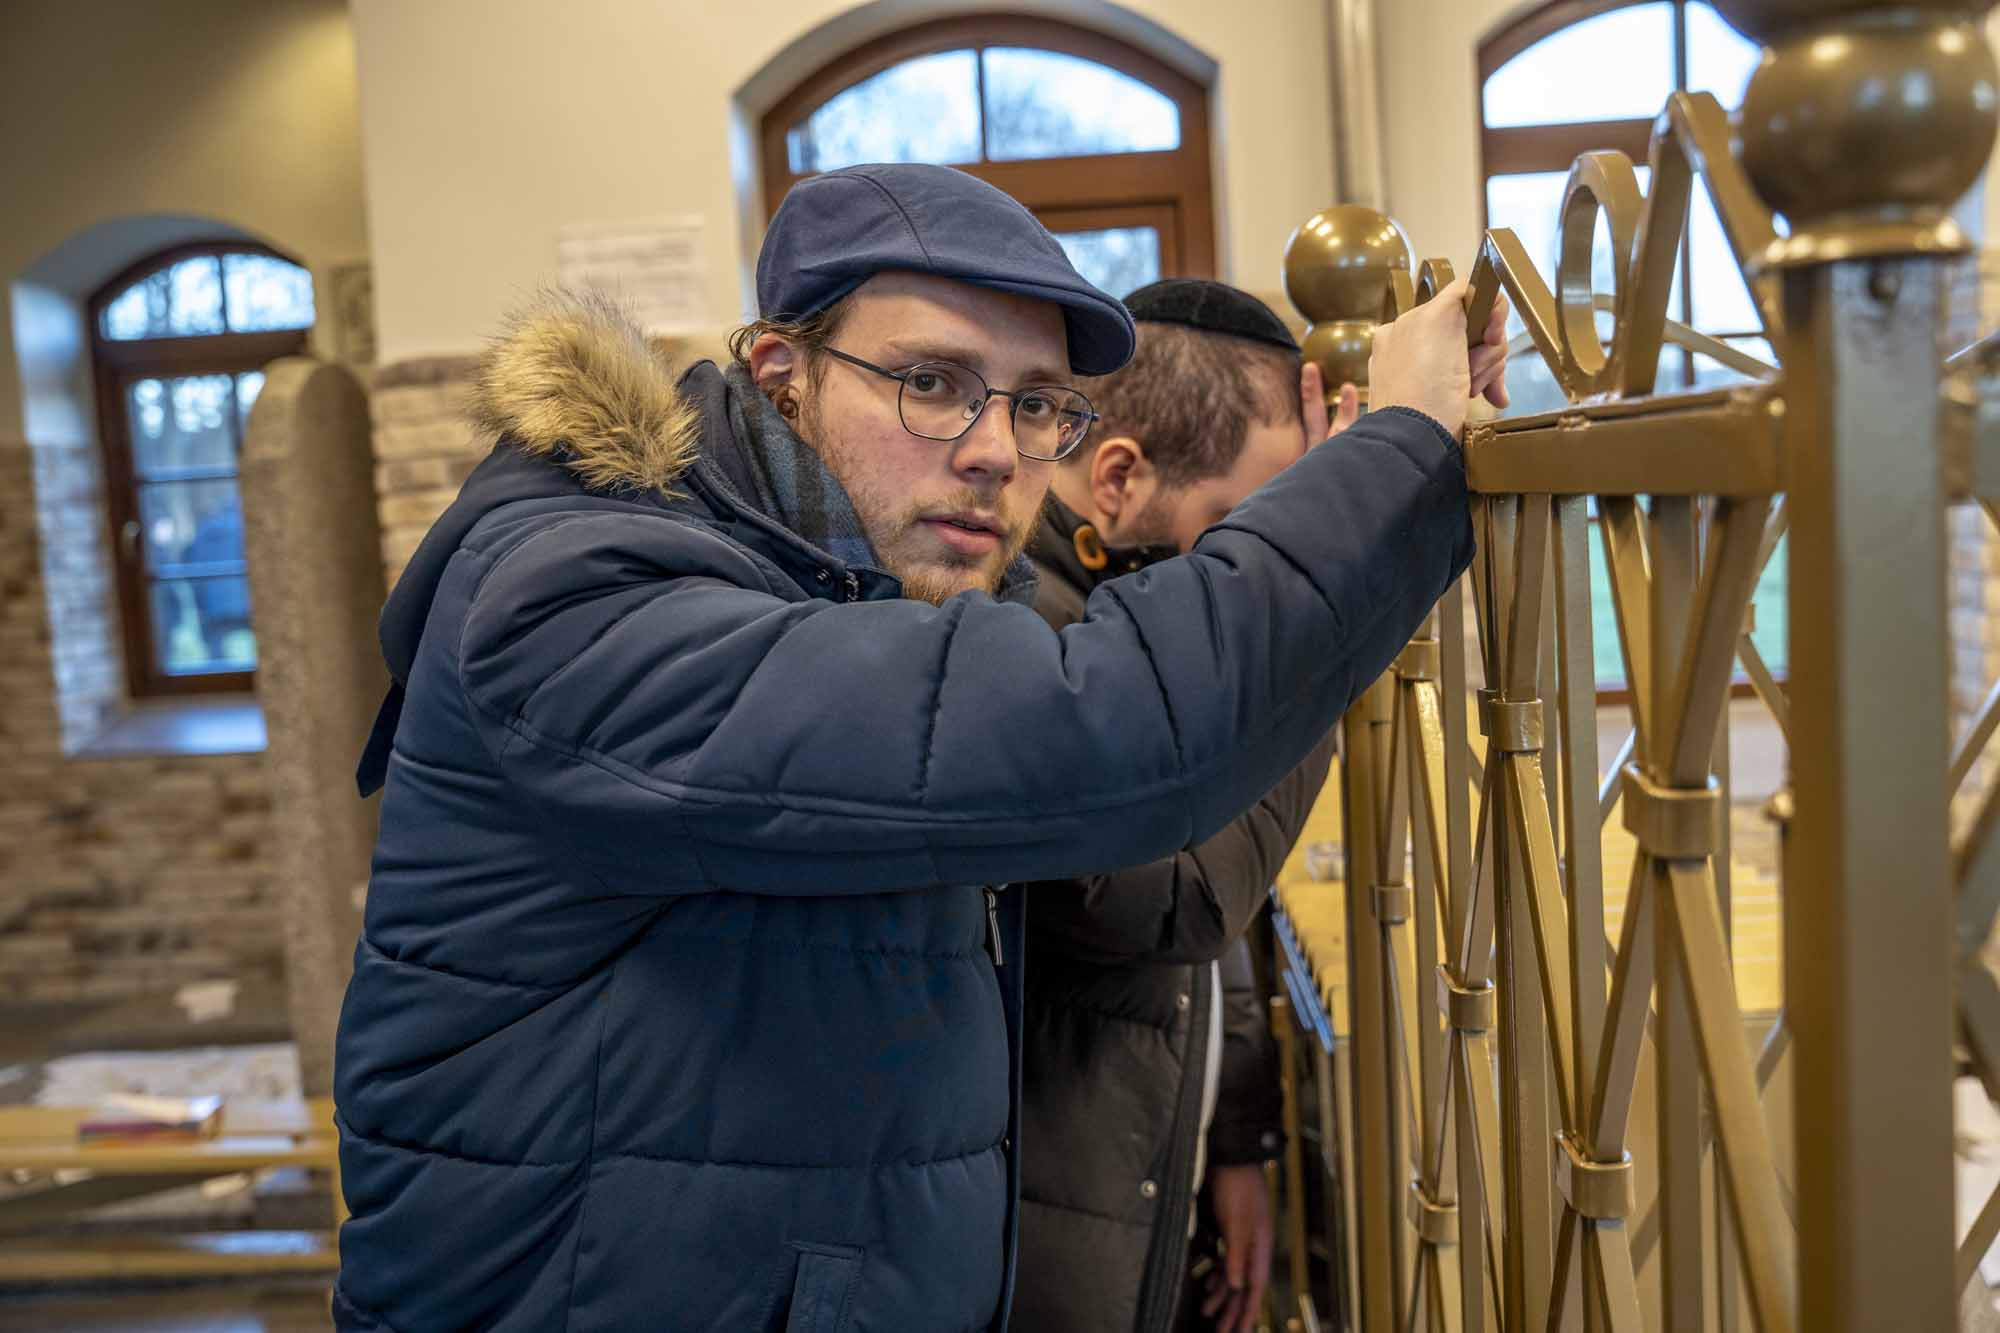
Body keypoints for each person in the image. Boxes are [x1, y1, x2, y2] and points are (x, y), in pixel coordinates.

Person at [332, 162, 1508, 1333]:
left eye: (1035, 403)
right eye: (932, 382)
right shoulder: (583, 599)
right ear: (780, 375)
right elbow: (1120, 724)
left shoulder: (857, 590)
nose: (995, 449)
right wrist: (1398, 447)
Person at [1014, 280, 1351, 1333]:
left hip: (1153, 1179)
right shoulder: (1027, 638)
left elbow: (1221, 892)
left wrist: (1234, 1141)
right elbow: (1190, 894)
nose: (1253, 576)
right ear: (1118, 476)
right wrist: (1325, 602)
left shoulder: (1120, 597)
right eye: (1236, 531)